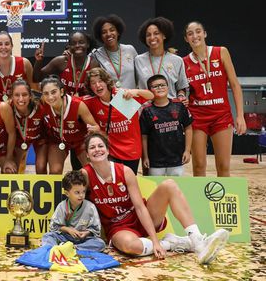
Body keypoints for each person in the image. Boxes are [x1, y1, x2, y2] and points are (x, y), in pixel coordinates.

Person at [82, 133, 230, 264]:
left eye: (100, 146)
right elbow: (77, 200)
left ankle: (197, 241)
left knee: (169, 185)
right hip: (118, 227)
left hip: (140, 215)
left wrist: (154, 240)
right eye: (92, 147)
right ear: (87, 154)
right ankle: (171, 243)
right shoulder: (85, 175)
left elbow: (140, 207)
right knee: (131, 247)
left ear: (108, 150)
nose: (97, 150)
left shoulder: (125, 171)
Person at [182, 21, 246, 177]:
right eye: (190, 33)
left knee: (223, 166)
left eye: (198, 31)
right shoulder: (183, 62)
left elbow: (235, 85)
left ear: (204, 33)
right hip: (197, 117)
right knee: (198, 166)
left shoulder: (221, 52)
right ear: (186, 39)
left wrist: (240, 116)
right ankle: (200, 202)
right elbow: (183, 92)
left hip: (221, 116)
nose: (195, 36)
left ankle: (221, 201)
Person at [83, 67, 153, 174]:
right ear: (90, 87)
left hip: (131, 151)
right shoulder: (91, 102)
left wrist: (136, 91)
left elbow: (151, 95)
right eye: (93, 83)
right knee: (111, 180)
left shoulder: (122, 96)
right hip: (111, 151)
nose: (97, 85)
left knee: (127, 182)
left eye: (100, 81)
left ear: (106, 82)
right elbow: (73, 102)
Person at [39, 77, 99, 174]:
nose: (50, 97)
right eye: (46, 93)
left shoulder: (78, 105)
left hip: (80, 141)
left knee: (90, 171)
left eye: (54, 92)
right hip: (58, 140)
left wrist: (93, 130)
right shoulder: (42, 103)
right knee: (55, 171)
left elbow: (96, 127)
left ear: (62, 92)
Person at [140, 75, 193, 176]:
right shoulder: (147, 111)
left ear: (168, 87)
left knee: (177, 188)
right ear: (150, 90)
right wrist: (146, 157)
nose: (160, 88)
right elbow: (144, 136)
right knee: (156, 189)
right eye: (155, 86)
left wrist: (187, 150)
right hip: (155, 162)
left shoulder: (179, 106)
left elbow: (188, 128)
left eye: (162, 85)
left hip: (177, 159)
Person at [41, 170, 105, 251]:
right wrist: (68, 229)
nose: (81, 195)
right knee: (47, 236)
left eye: (83, 192)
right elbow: (54, 227)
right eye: (77, 192)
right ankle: (58, 249)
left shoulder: (90, 207)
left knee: (100, 243)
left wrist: (86, 233)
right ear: (67, 193)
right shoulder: (62, 206)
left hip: (83, 240)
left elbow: (95, 229)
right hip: (65, 237)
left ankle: (73, 248)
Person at [135, 17, 188, 101]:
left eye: (156, 33)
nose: (152, 37)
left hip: (170, 110)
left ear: (164, 35)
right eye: (148, 35)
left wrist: (181, 96)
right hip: (146, 110)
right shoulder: (138, 60)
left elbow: (181, 88)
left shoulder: (177, 60)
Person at [33, 31, 99, 96]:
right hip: (64, 104)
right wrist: (38, 61)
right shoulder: (61, 61)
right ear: (69, 46)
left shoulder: (93, 64)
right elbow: (36, 78)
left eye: (81, 42)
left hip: (85, 104)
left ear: (88, 44)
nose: (77, 45)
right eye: (74, 43)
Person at [0, 31, 34, 102]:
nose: (3, 47)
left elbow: (33, 90)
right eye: (0, 44)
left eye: (7, 44)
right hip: (0, 110)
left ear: (11, 46)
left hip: (21, 108)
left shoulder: (25, 63)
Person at [9, 79, 48, 174]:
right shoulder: (7, 108)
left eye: (24, 95)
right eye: (17, 95)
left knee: (41, 167)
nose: (21, 99)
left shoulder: (41, 106)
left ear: (30, 96)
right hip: (19, 140)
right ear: (12, 97)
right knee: (12, 170)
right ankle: (17, 189)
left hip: (40, 139)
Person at [91, 14, 138, 89]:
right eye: (104, 32)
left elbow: (139, 77)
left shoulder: (130, 49)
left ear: (118, 32)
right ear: (100, 36)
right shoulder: (96, 55)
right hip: (111, 99)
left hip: (132, 97)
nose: (109, 34)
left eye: (112, 30)